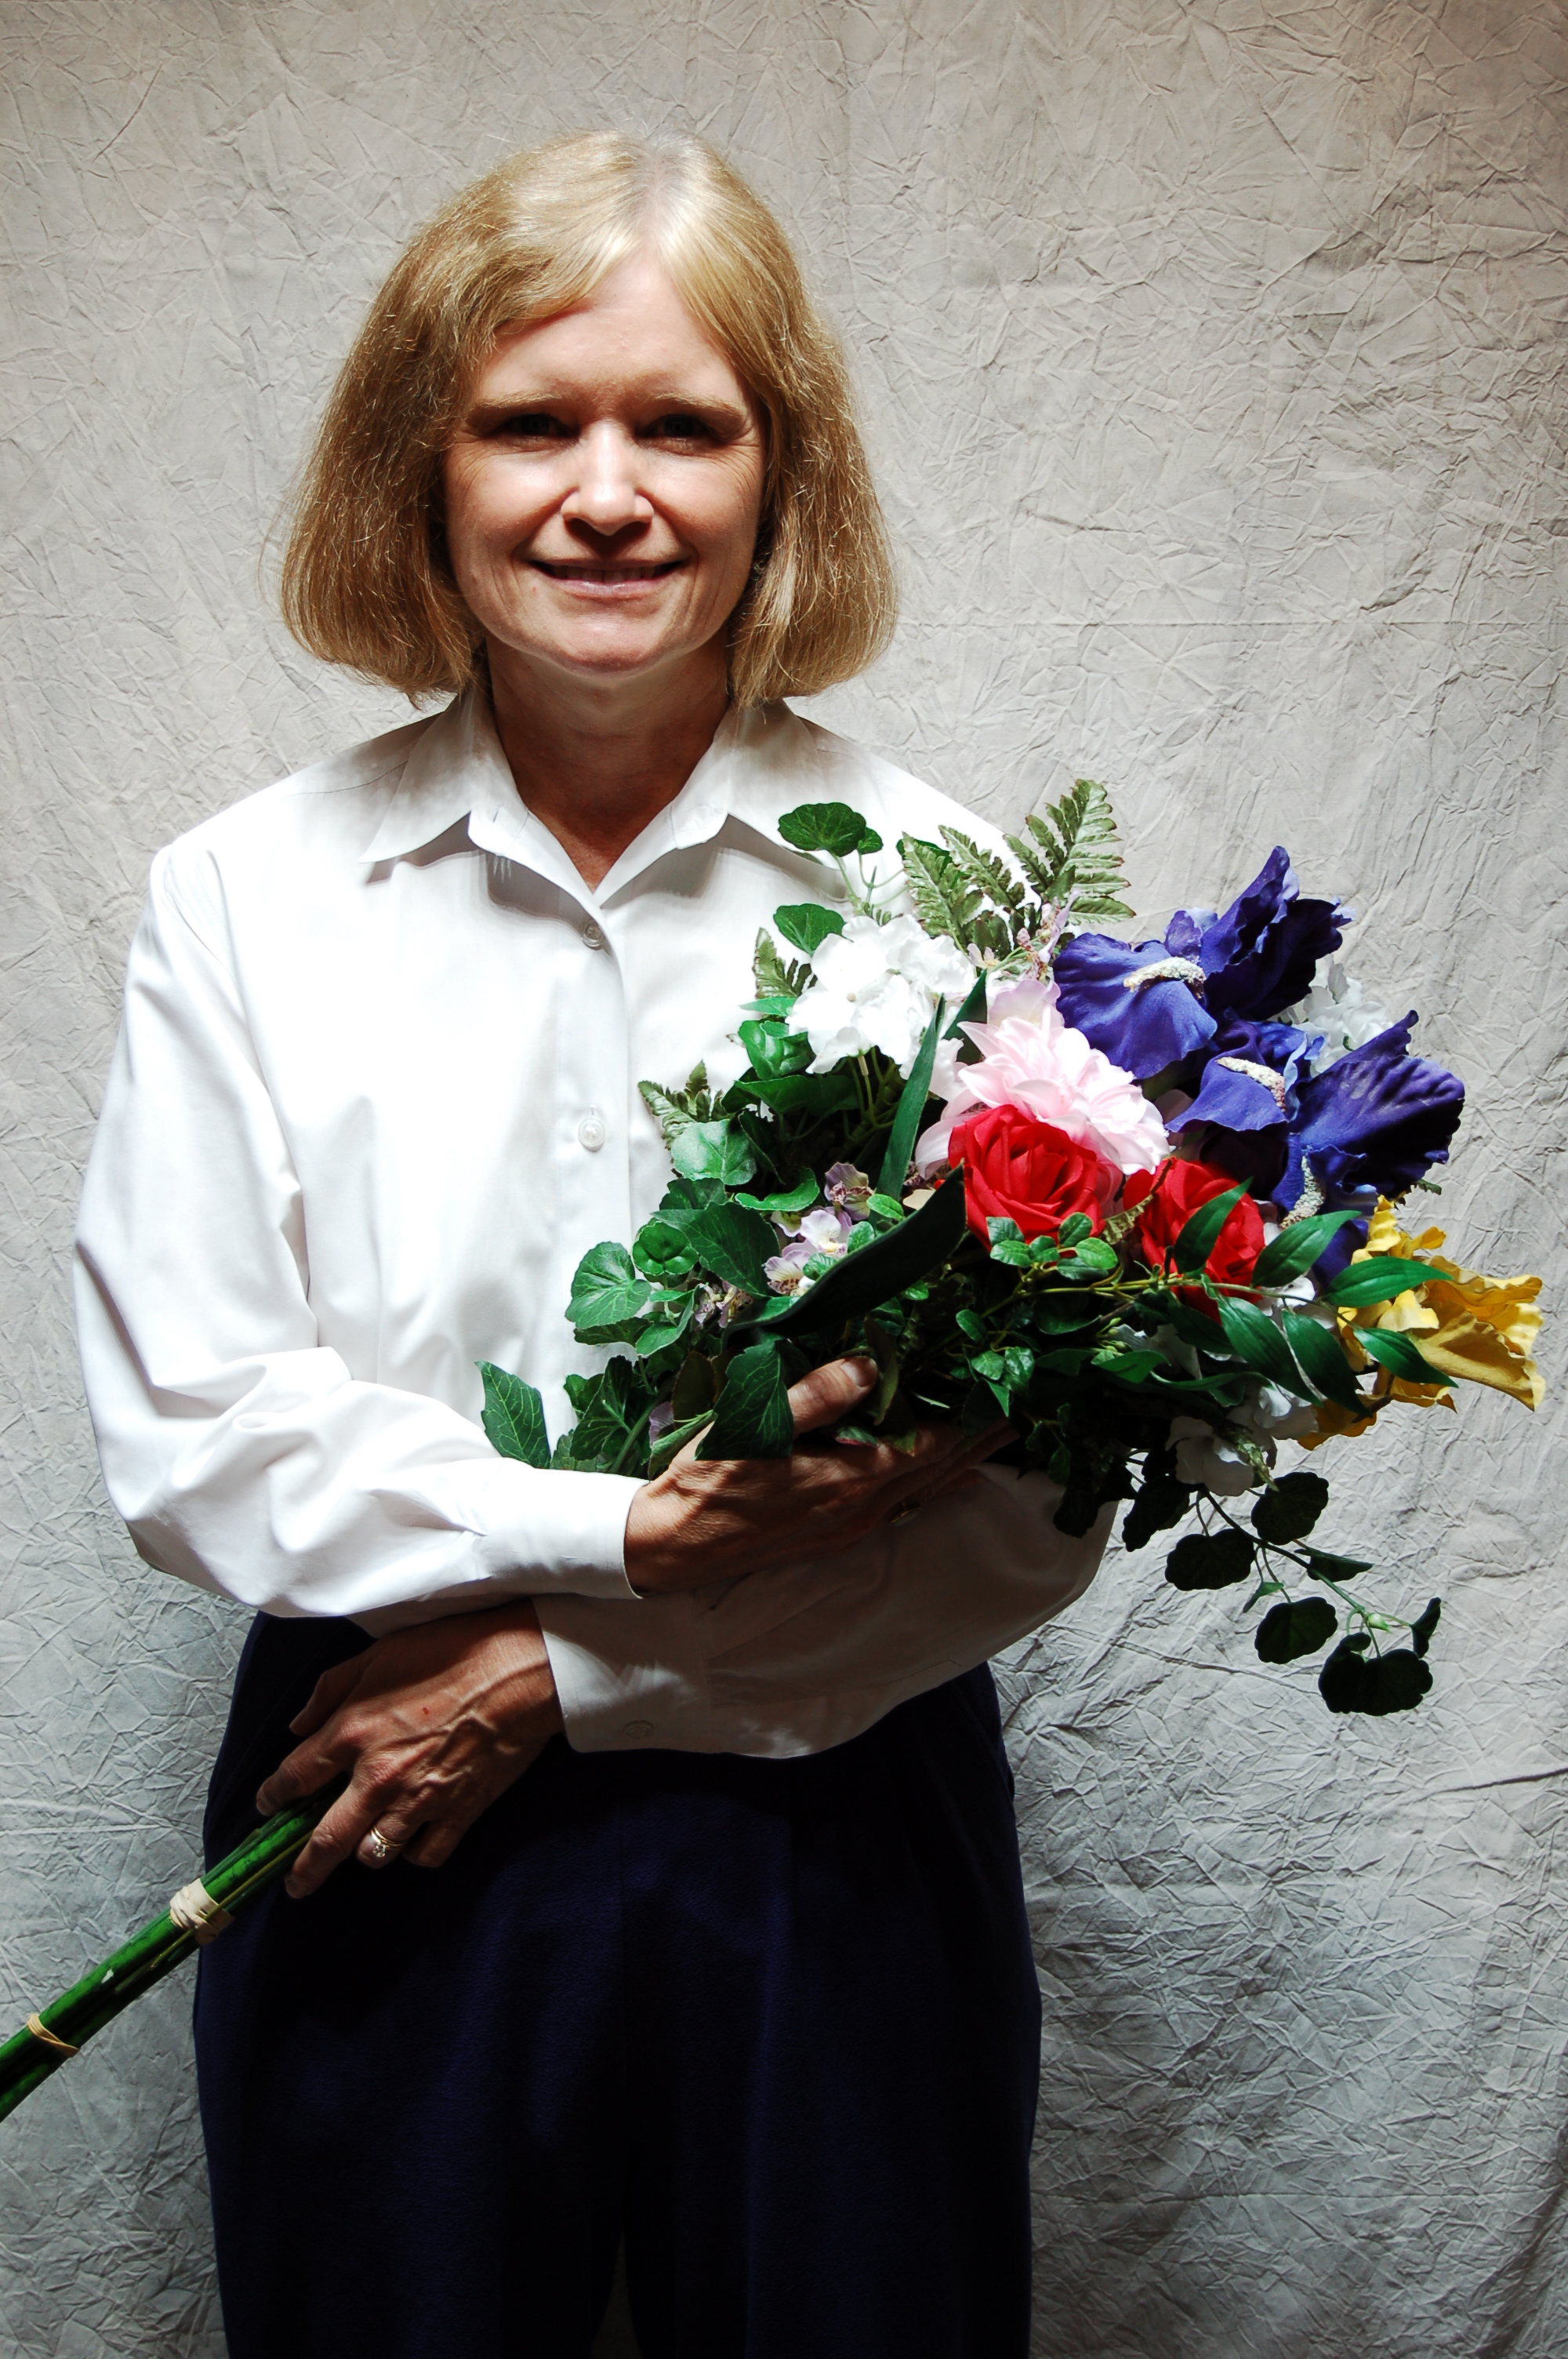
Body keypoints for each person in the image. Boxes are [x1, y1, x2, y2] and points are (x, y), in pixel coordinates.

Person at [74, 132, 1112, 2359]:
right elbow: (196, 1430)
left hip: (838, 1809)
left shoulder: (953, 900)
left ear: (782, 470)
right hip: (374, 1794)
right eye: (532, 423)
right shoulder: (244, 898)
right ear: (420, 469)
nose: (608, 496)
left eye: (684, 426)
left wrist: (567, 1664)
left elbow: (1027, 1493)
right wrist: (634, 1537)